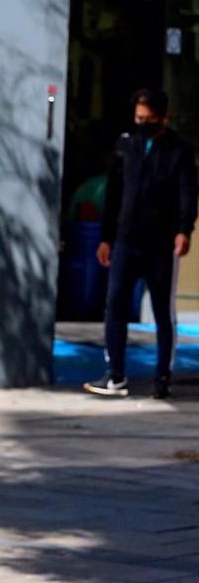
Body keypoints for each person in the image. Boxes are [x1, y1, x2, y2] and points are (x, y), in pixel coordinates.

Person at [86, 88, 197, 400]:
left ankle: (162, 375)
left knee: (163, 309)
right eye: (138, 119)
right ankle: (116, 374)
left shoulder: (179, 152)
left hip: (160, 243)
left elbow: (187, 193)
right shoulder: (126, 146)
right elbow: (113, 194)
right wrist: (105, 237)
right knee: (116, 304)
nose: (143, 124)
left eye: (149, 119)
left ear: (163, 117)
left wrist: (183, 230)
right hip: (125, 239)